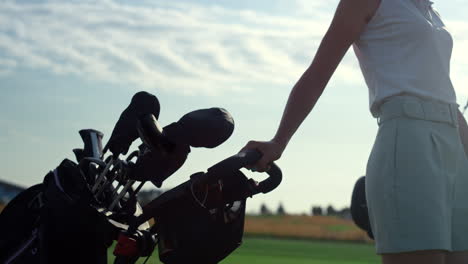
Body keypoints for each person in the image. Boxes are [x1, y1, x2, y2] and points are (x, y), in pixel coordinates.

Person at [241, 0, 468, 263]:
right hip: (408, 143)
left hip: (454, 147)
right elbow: (317, 74)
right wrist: (279, 141)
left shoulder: (431, 10)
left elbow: (446, 98)